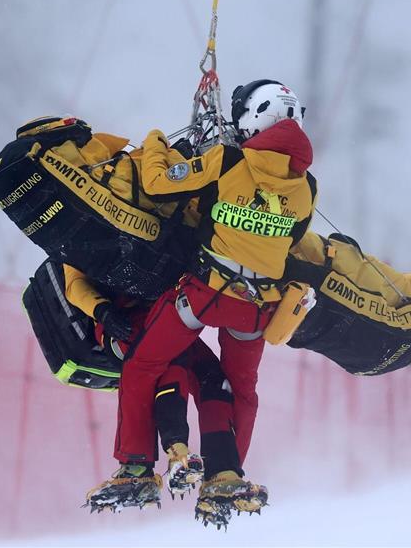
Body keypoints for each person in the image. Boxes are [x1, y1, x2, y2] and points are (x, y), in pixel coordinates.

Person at [86, 80, 318, 518]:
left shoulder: (228, 159)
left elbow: (156, 182)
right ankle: (225, 477)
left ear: (252, 118)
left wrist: (156, 139)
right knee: (238, 388)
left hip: (207, 293)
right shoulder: (307, 188)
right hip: (258, 307)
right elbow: (292, 239)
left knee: (142, 364)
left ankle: (136, 469)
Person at [63, 264, 249, 527]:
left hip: (166, 316)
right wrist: (102, 310)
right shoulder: (78, 227)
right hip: (123, 324)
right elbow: (74, 283)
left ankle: (221, 471)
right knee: (172, 362)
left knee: (213, 379)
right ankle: (140, 466)